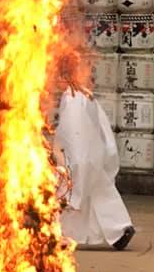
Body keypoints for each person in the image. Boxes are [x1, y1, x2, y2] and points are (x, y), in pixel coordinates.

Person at [54, 87, 135, 251]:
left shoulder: (73, 98)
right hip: (92, 154)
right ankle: (119, 230)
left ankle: (61, 234)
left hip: (79, 157)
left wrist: (72, 165)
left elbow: (74, 134)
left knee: (70, 196)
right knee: (100, 193)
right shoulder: (83, 95)